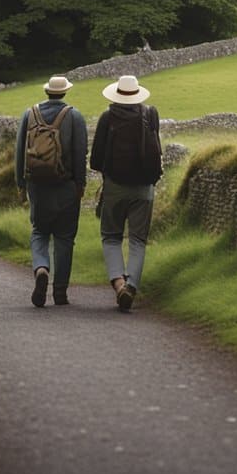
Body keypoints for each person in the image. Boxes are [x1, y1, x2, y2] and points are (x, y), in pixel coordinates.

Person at [90, 74, 162, 312]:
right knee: (138, 240)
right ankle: (131, 286)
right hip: (144, 187)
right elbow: (156, 150)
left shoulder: (107, 118)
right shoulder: (150, 114)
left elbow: (96, 161)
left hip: (115, 187)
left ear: (116, 94)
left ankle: (119, 283)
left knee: (111, 237)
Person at [15, 75, 87, 308]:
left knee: (39, 232)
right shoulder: (74, 116)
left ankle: (41, 268)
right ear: (65, 92)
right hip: (66, 185)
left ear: (47, 92)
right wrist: (80, 184)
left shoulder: (30, 114)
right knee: (65, 238)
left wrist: (21, 183)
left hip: (37, 185)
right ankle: (60, 293)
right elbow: (80, 154)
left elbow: (19, 152)